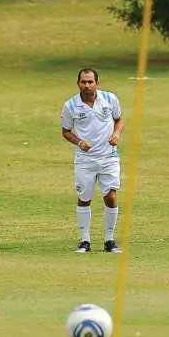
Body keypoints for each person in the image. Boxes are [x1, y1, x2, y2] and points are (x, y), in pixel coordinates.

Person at [61, 68, 124, 253]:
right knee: (84, 197)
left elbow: (119, 120)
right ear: (78, 83)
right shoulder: (70, 105)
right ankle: (85, 241)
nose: (87, 86)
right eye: (83, 82)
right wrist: (79, 142)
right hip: (85, 160)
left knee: (111, 196)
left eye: (90, 82)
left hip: (109, 156)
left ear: (97, 82)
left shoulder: (110, 99)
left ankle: (109, 240)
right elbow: (65, 131)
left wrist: (117, 133)